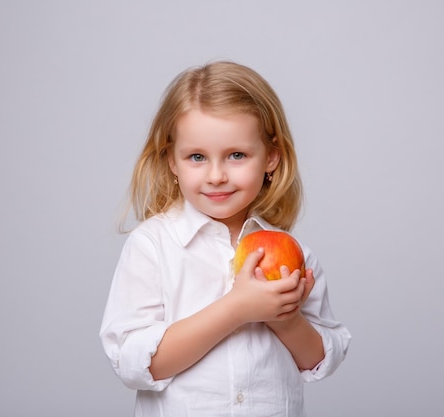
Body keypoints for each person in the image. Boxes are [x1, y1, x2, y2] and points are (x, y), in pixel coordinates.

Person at [100, 61, 351, 417]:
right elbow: (135, 364)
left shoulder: (295, 254)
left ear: (272, 157)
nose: (216, 175)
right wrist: (237, 308)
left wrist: (286, 319)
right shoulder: (152, 247)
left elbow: (320, 359)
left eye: (237, 155)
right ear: (172, 160)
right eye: (197, 157)